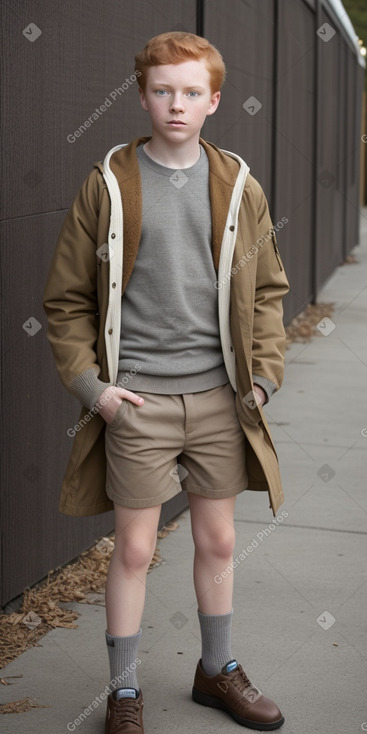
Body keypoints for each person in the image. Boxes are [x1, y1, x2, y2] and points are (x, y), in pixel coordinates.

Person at [43, 31, 289, 734]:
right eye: (161, 90)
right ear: (142, 94)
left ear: (213, 101)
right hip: (138, 403)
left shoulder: (240, 186)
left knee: (216, 543)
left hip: (219, 399)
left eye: (190, 93)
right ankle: (123, 693)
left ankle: (216, 671)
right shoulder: (108, 184)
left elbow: (267, 289)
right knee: (136, 549)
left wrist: (263, 378)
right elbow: (67, 301)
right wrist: (96, 391)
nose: (174, 104)